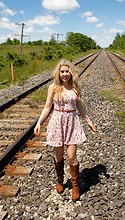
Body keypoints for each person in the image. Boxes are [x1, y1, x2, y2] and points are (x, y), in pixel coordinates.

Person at [34, 59, 96, 201]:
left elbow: (80, 107)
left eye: (67, 71)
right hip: (57, 123)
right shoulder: (52, 88)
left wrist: (89, 122)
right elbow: (47, 108)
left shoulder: (75, 88)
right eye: (62, 71)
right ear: (58, 73)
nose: (65, 74)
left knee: (72, 157)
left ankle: (75, 186)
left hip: (72, 123)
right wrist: (38, 123)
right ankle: (60, 180)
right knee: (59, 156)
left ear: (71, 72)